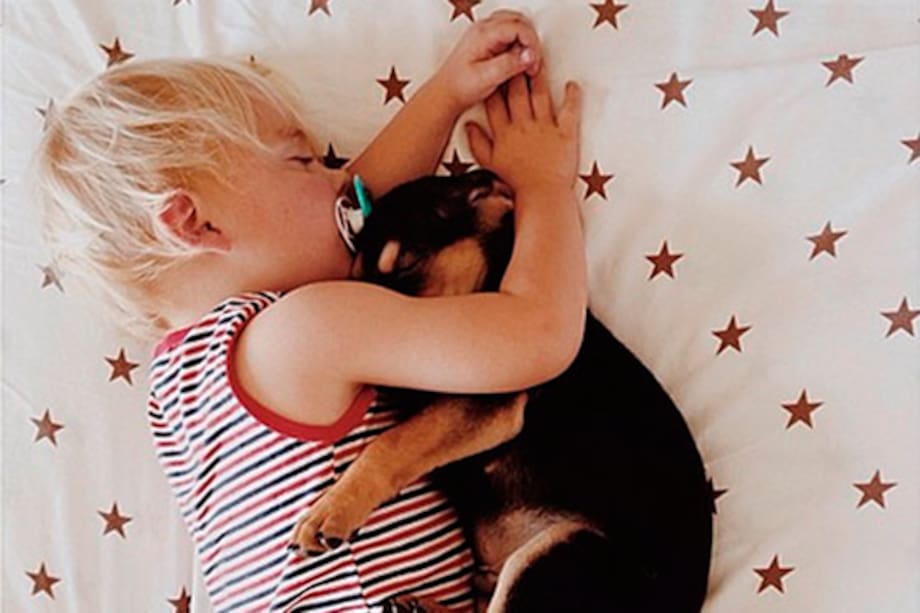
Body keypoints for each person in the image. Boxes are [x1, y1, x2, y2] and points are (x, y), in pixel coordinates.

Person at [29, 9, 585, 612]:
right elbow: (539, 336)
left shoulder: (177, 399)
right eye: (302, 162)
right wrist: (544, 187)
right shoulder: (305, 328)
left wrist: (446, 93)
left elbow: (352, 213)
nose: (339, 180)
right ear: (196, 223)